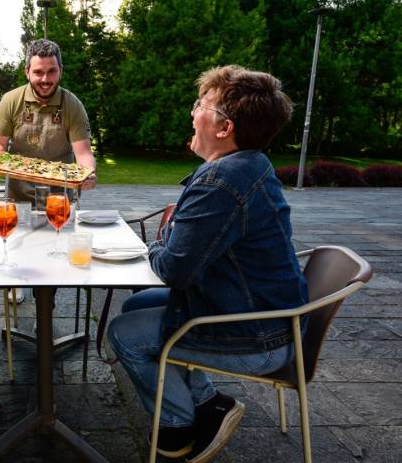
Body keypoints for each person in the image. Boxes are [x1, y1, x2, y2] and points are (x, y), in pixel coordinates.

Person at [107, 65, 308, 463]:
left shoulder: (221, 181)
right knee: (135, 304)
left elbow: (174, 268)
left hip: (258, 336)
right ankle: (208, 402)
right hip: (269, 315)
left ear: (224, 127)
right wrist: (173, 235)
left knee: (126, 334)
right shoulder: (249, 164)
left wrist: (161, 240)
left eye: (201, 105)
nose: (193, 111)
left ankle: (179, 425)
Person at [0, 38, 97, 203]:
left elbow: (83, 153)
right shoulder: (10, 100)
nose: (45, 79)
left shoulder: (73, 105)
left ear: (61, 71)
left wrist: (89, 172)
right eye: (38, 72)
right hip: (16, 199)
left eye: (52, 71)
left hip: (60, 200)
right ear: (27, 72)